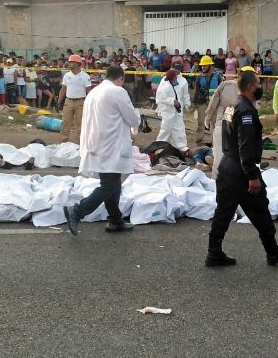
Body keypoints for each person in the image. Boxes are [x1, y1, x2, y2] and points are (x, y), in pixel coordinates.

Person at [205, 70, 278, 267]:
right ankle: (273, 252)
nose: (260, 89)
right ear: (249, 87)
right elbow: (245, 145)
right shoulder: (246, 110)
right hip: (240, 171)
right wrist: (252, 176)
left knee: (224, 211)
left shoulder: (232, 107)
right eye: (258, 85)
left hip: (227, 167)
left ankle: (214, 253)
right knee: (260, 209)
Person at [63, 66, 141, 236]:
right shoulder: (117, 92)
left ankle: (115, 220)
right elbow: (132, 118)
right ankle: (76, 211)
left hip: (97, 144)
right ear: (121, 78)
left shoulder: (94, 92)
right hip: (111, 146)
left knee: (114, 183)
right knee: (109, 185)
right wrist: (138, 115)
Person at [206, 66, 256, 179]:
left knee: (219, 156)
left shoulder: (226, 84)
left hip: (223, 125)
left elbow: (214, 101)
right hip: (236, 129)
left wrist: (208, 117)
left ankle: (217, 181)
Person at [156, 66, 191, 153]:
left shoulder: (180, 82)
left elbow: (184, 94)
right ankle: (159, 146)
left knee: (179, 127)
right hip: (167, 111)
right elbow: (160, 97)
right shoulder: (165, 86)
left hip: (176, 110)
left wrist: (186, 103)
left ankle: (181, 145)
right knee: (165, 128)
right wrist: (172, 102)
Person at [58, 54, 92, 144]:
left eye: (71, 62)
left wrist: (91, 103)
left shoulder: (85, 76)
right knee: (65, 123)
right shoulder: (67, 75)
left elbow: (89, 91)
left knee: (80, 124)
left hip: (80, 102)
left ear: (77, 63)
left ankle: (81, 143)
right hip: (68, 101)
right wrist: (58, 102)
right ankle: (63, 142)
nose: (69, 63)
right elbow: (63, 89)